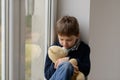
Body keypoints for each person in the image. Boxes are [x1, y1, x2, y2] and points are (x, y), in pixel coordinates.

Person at [44, 16, 90, 80]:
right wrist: (56, 64)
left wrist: (72, 61)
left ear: (77, 36)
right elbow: (47, 75)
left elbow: (86, 70)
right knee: (66, 66)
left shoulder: (84, 48)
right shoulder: (54, 49)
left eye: (69, 40)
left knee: (67, 65)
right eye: (61, 39)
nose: (65, 43)